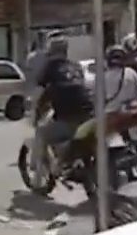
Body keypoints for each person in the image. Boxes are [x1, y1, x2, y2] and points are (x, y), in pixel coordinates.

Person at [33, 35, 94, 181]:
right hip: (89, 115)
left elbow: (39, 89)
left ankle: (45, 173)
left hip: (69, 119)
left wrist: (35, 108)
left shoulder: (50, 67)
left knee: (41, 133)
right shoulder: (76, 66)